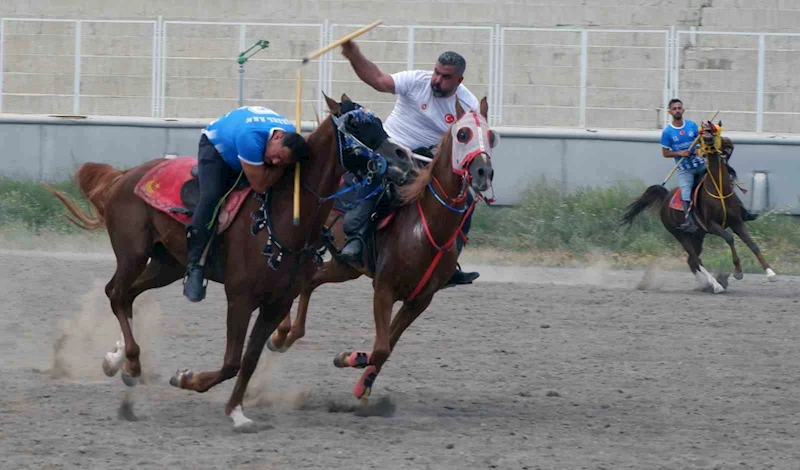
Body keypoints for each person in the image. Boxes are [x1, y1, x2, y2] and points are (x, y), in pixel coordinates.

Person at [338, 41, 480, 287]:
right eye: (436, 72)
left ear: (459, 80)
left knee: (465, 200)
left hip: (426, 162)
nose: (436, 80)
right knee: (381, 176)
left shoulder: (468, 106)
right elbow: (379, 80)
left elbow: (465, 144)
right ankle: (355, 239)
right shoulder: (417, 80)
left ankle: (449, 261)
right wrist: (354, 55)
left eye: (445, 77)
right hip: (388, 147)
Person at [184, 106, 311, 302]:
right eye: (277, 156)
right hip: (217, 149)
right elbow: (260, 185)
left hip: (246, 143)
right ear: (277, 137)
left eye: (281, 160)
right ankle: (194, 265)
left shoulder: (288, 137)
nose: (276, 161)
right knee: (212, 196)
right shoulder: (250, 139)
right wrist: (283, 167)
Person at [661, 99, 757, 233]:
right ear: (670, 112)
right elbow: (665, 153)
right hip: (685, 169)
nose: (677, 110)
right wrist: (680, 152)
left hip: (700, 164)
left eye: (679, 108)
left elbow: (700, 142)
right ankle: (689, 221)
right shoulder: (667, 132)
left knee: (724, 180)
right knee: (685, 192)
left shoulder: (691, 126)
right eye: (674, 108)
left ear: (683, 110)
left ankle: (742, 211)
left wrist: (699, 147)